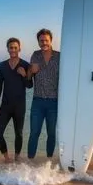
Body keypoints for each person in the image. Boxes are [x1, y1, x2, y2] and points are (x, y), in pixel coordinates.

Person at [0, 38, 33, 163]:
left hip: (19, 106)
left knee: (19, 134)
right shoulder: (2, 66)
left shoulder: (25, 65)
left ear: (19, 49)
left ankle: (17, 158)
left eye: (15, 47)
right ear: (8, 49)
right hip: (5, 106)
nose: (13, 50)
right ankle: (6, 157)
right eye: (11, 47)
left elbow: (29, 85)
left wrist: (24, 75)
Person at [26, 28, 60, 160]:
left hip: (54, 101)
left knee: (51, 133)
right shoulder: (35, 55)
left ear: (51, 41)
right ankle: (29, 161)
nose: (44, 43)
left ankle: (49, 161)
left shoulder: (59, 56)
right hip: (38, 101)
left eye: (46, 40)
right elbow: (28, 80)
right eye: (41, 41)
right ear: (38, 42)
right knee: (34, 132)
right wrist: (30, 71)